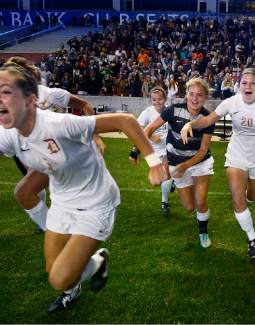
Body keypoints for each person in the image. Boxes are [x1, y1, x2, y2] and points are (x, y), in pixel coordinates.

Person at [0, 58, 167, 314]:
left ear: (31, 99)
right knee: (54, 271)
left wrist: (153, 161)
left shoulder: (59, 124)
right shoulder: (9, 132)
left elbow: (125, 120)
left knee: (59, 279)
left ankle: (97, 259)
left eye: (6, 92)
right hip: (62, 200)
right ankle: (85, 267)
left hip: (96, 202)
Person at [180, 67, 255, 258]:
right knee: (238, 199)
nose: (248, 86)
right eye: (244, 83)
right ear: (239, 85)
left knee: (252, 196)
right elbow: (209, 119)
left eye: (252, 83)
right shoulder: (231, 102)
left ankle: (245, 199)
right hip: (237, 156)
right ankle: (252, 239)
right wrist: (191, 124)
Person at [5, 57, 105, 235]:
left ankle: (60, 225)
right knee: (31, 189)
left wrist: (96, 136)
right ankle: (56, 224)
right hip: (26, 149)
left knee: (27, 189)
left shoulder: (49, 94)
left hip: (59, 149)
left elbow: (84, 105)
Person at [143, 78, 215, 249]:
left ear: (205, 97)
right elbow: (149, 129)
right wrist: (139, 152)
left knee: (200, 201)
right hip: (177, 162)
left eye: (200, 95)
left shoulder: (207, 118)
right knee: (189, 208)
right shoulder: (172, 110)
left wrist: (185, 166)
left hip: (199, 163)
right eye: (191, 94)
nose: (195, 98)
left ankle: (203, 232)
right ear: (186, 95)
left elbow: (203, 150)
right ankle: (173, 175)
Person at [131, 87, 173, 217]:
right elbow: (137, 129)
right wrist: (150, 136)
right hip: (153, 150)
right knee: (159, 179)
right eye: (154, 100)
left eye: (160, 99)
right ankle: (172, 182)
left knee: (166, 174)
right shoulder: (147, 112)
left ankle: (164, 202)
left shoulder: (169, 111)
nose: (157, 102)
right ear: (151, 100)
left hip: (169, 148)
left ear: (165, 99)